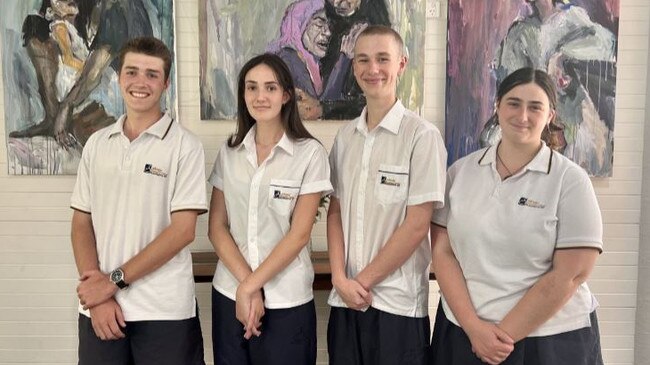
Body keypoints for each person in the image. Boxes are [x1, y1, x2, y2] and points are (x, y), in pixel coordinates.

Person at [430, 67, 603, 365]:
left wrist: (499, 337)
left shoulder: (570, 180)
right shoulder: (460, 172)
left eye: (535, 107)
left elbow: (571, 274)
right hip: (464, 332)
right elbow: (443, 253)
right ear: (497, 106)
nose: (523, 116)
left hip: (549, 340)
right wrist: (475, 329)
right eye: (513, 103)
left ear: (549, 115)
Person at [70, 37, 207, 365]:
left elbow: (183, 231)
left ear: (166, 83)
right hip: (101, 311)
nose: (140, 82)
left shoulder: (185, 146)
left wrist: (112, 282)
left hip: (164, 311)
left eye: (152, 74)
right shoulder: (97, 144)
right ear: (119, 78)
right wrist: (97, 295)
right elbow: (81, 223)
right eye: (132, 72)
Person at [326, 25, 447, 365]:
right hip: (345, 301)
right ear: (353, 67)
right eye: (363, 60)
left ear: (401, 64)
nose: (372, 69)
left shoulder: (421, 136)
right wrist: (339, 278)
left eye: (383, 59)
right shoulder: (345, 137)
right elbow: (334, 212)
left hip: (396, 304)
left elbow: (416, 224)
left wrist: (361, 282)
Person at [208, 53, 332, 365]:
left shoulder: (309, 154)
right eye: (251, 88)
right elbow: (217, 227)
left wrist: (250, 287)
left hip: (286, 299)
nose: (260, 96)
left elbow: (299, 234)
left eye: (270, 88)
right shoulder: (230, 151)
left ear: (286, 95)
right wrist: (244, 287)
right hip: (229, 294)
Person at [480, 0, 616, 176]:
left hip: (570, 115)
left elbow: (606, 44)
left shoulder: (572, 18)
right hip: (533, 117)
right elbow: (510, 83)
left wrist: (563, 56)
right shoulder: (520, 32)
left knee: (584, 149)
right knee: (490, 140)